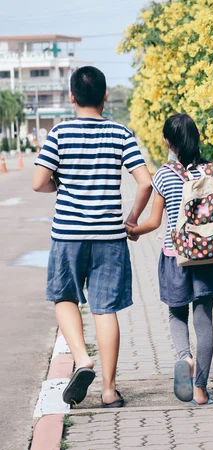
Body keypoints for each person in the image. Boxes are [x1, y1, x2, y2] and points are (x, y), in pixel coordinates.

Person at [32, 66, 152, 408]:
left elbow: (39, 182)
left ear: (71, 97)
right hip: (110, 237)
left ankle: (83, 359)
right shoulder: (120, 134)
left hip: (68, 234)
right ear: (104, 96)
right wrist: (132, 218)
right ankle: (110, 391)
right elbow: (145, 182)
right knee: (105, 309)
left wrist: (60, 184)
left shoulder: (59, 134)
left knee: (64, 297)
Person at [126, 114, 213, 405]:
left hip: (177, 256)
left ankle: (185, 358)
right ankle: (200, 390)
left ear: (168, 143)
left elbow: (154, 221)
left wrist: (133, 231)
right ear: (196, 138)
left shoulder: (164, 175)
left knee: (176, 313)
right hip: (209, 256)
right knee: (204, 318)